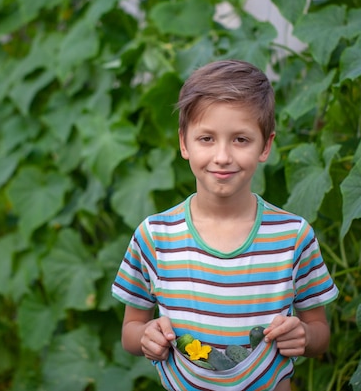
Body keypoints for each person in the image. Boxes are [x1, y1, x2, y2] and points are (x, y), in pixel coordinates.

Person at [112, 59, 339, 391]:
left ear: (266, 145)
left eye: (240, 140)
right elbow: (131, 331)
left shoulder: (293, 236)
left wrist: (304, 336)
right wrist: (146, 337)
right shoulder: (155, 237)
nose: (222, 156)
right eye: (206, 138)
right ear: (184, 143)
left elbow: (319, 332)